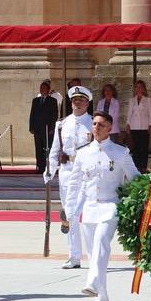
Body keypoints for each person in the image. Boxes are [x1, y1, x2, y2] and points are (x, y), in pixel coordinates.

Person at [66, 110, 141, 301]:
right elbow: (75, 183)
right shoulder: (82, 153)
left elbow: (135, 177)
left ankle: (91, 283)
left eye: (101, 125)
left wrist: (150, 190)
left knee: (101, 243)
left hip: (111, 206)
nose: (96, 128)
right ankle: (102, 295)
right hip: (89, 208)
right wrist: (70, 209)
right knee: (93, 254)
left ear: (110, 128)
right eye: (94, 124)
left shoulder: (119, 152)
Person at [46, 85, 95, 269]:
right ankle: (73, 256)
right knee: (70, 215)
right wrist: (49, 169)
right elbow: (55, 149)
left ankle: (92, 254)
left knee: (81, 215)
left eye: (81, 100)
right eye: (74, 100)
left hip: (85, 174)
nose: (77, 102)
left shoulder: (93, 123)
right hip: (66, 172)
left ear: (87, 102)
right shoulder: (62, 124)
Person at [29, 81, 59, 174]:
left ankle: (48, 167)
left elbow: (54, 115)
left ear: (48, 90)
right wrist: (31, 127)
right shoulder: (36, 100)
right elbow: (32, 114)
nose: (42, 90)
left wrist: (52, 128)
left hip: (47, 129)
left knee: (48, 148)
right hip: (37, 129)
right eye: (41, 88)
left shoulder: (53, 101)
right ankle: (40, 167)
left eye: (44, 88)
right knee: (38, 148)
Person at [125, 80, 151, 171]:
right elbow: (129, 113)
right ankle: (136, 167)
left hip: (144, 127)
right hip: (134, 126)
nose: (138, 88)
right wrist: (128, 124)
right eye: (137, 87)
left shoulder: (148, 99)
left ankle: (143, 168)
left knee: (144, 148)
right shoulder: (132, 100)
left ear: (144, 88)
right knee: (136, 148)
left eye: (140, 86)